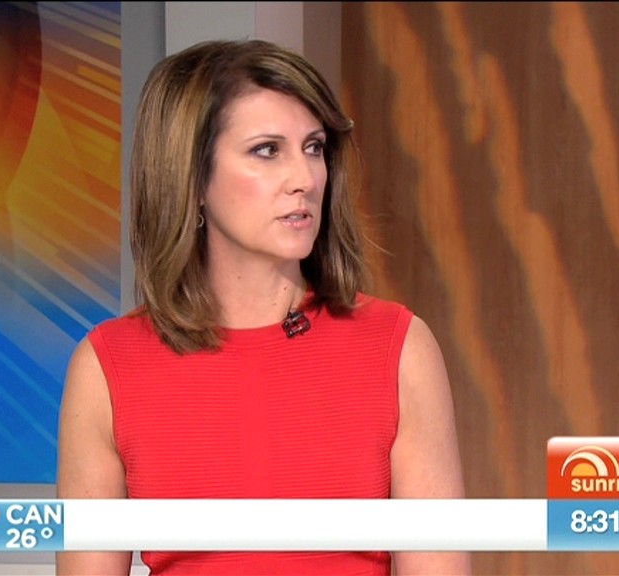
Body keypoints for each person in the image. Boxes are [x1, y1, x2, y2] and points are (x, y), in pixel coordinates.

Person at [56, 38, 470, 576]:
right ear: (192, 177)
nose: (305, 179)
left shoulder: (399, 348)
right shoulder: (108, 367)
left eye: (314, 148)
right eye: (268, 150)